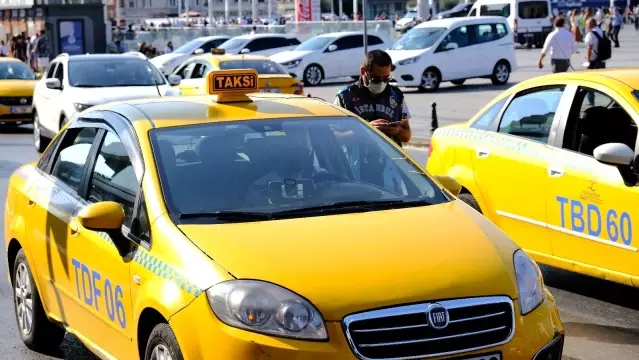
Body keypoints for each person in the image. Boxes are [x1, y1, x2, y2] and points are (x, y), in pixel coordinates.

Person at [333, 49, 412, 147]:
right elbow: (334, 137)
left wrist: (397, 130)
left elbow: (407, 136)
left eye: (386, 78)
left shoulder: (397, 96)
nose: (382, 83)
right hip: (356, 159)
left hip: (390, 160)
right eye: (376, 79)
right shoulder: (344, 97)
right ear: (363, 71)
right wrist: (366, 129)